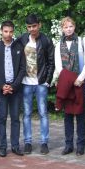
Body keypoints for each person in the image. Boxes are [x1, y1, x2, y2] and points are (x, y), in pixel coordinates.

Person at [17, 14, 55, 155]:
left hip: (40, 82)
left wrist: (47, 81)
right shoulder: (22, 39)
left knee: (43, 113)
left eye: (34, 26)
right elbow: (10, 48)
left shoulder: (46, 40)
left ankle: (44, 142)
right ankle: (28, 142)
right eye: (29, 27)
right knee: (26, 113)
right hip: (26, 82)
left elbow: (51, 62)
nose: (32, 29)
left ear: (39, 25)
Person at [53, 16, 85, 156]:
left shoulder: (82, 41)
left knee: (80, 113)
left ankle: (80, 145)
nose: (68, 29)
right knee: (68, 114)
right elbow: (58, 66)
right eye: (66, 27)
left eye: (71, 26)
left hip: (80, 82)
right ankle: (68, 145)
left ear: (74, 27)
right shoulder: (59, 44)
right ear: (62, 29)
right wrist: (67, 80)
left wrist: (80, 78)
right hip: (66, 83)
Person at [0, 20, 26, 157]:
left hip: (15, 89)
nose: (8, 34)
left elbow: (22, 68)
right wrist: (0, 86)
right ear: (1, 31)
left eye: (10, 31)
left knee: (15, 118)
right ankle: (3, 146)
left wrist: (13, 86)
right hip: (1, 89)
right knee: (2, 118)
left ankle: (15, 146)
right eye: (5, 31)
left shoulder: (19, 47)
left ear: (13, 32)